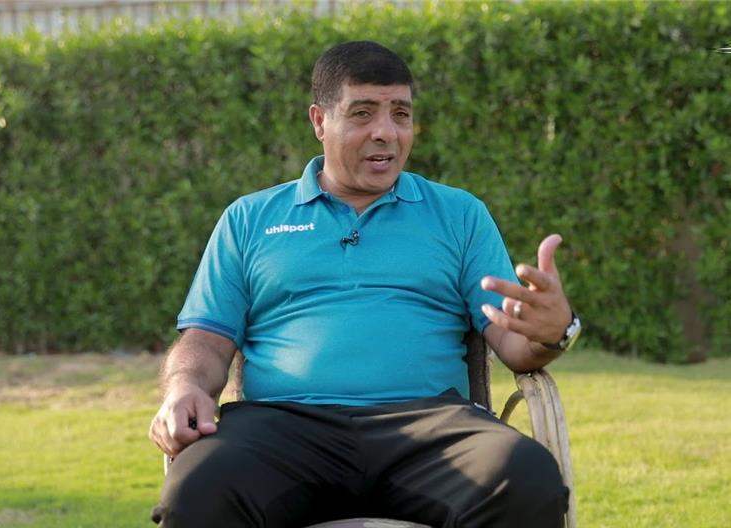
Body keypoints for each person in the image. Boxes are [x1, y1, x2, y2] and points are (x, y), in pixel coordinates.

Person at [149, 40, 579, 528]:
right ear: (319, 121)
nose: (386, 132)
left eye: (401, 114)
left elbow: (515, 345)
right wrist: (184, 386)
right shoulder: (249, 219)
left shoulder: (460, 215)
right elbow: (205, 340)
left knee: (524, 478)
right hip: (282, 432)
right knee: (198, 489)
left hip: (431, 431)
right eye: (363, 113)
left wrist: (553, 331)